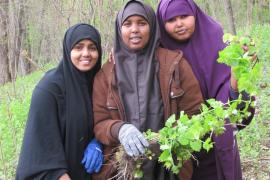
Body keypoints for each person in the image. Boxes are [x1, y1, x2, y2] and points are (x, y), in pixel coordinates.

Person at [92, 0, 204, 179]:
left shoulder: (175, 64)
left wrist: (166, 138)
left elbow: (195, 113)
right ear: (119, 30)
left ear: (152, 27)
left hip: (169, 168)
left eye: (142, 23)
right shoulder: (106, 74)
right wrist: (120, 130)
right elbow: (99, 123)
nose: (134, 29)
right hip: (123, 170)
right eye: (127, 24)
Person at [157, 0, 255, 179]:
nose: (179, 24)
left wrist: (237, 74)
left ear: (195, 15)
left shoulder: (214, 38)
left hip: (216, 137)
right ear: (162, 25)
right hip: (180, 147)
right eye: (171, 20)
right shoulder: (159, 50)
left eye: (184, 16)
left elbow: (233, 102)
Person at [16, 23, 104, 180]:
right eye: (78, 47)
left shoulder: (99, 84)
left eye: (92, 47)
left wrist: (98, 141)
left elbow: (105, 119)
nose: (86, 53)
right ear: (68, 49)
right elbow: (43, 155)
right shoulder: (49, 90)